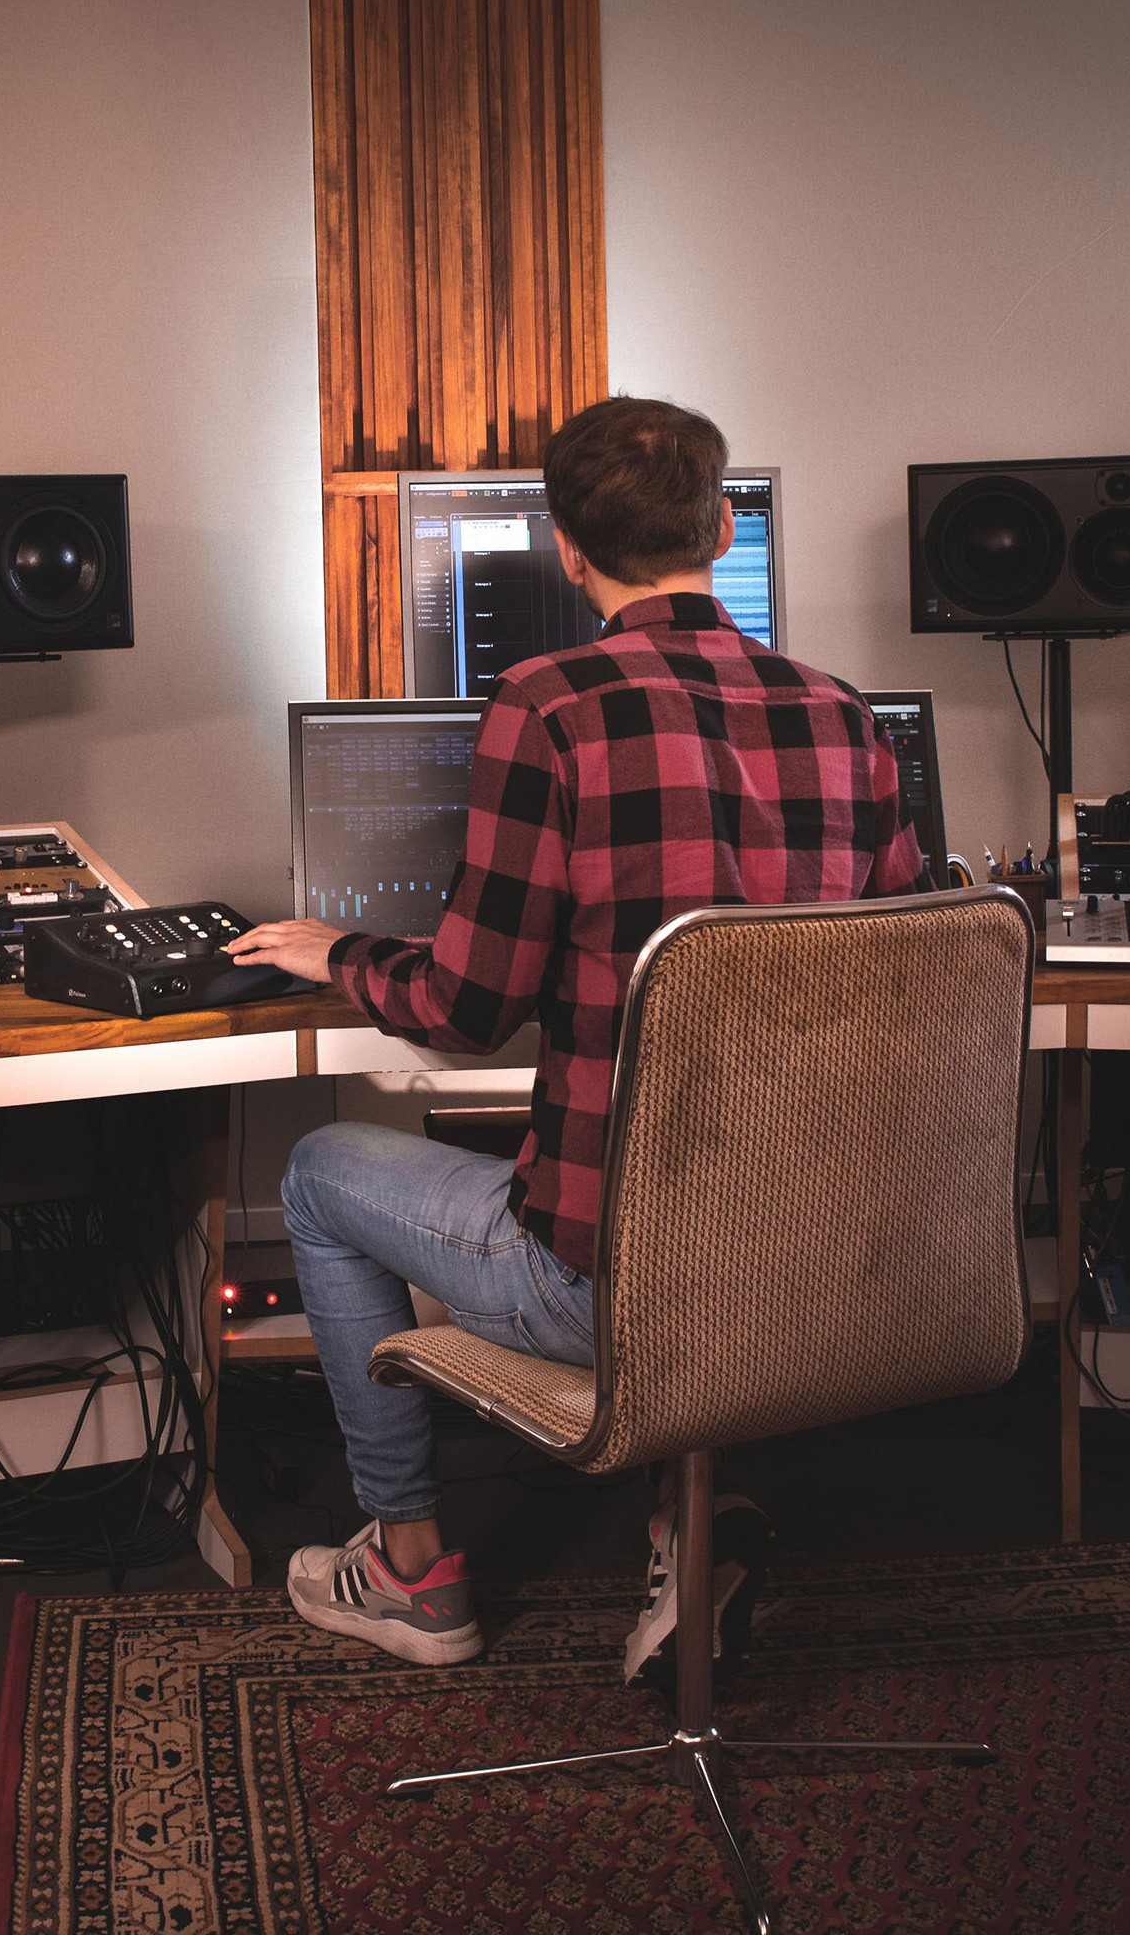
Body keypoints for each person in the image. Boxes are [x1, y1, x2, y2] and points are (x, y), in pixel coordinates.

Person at [225, 395, 929, 1671]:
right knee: (668, 1178)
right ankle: (687, 1518)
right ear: (720, 530)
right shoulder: (842, 714)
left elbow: (466, 1007)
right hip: (809, 1265)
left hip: (611, 1286)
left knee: (319, 1172)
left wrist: (340, 953)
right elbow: (903, 972)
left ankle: (407, 1566)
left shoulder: (546, 705)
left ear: (566, 550)